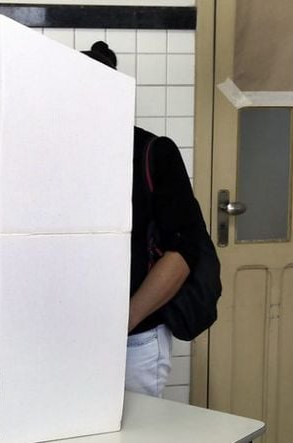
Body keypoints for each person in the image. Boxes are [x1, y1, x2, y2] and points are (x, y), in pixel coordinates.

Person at [82, 41, 206, 397]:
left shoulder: (152, 153)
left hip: (133, 341)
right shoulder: (51, 153)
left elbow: (182, 253)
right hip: (65, 337)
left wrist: (123, 323)